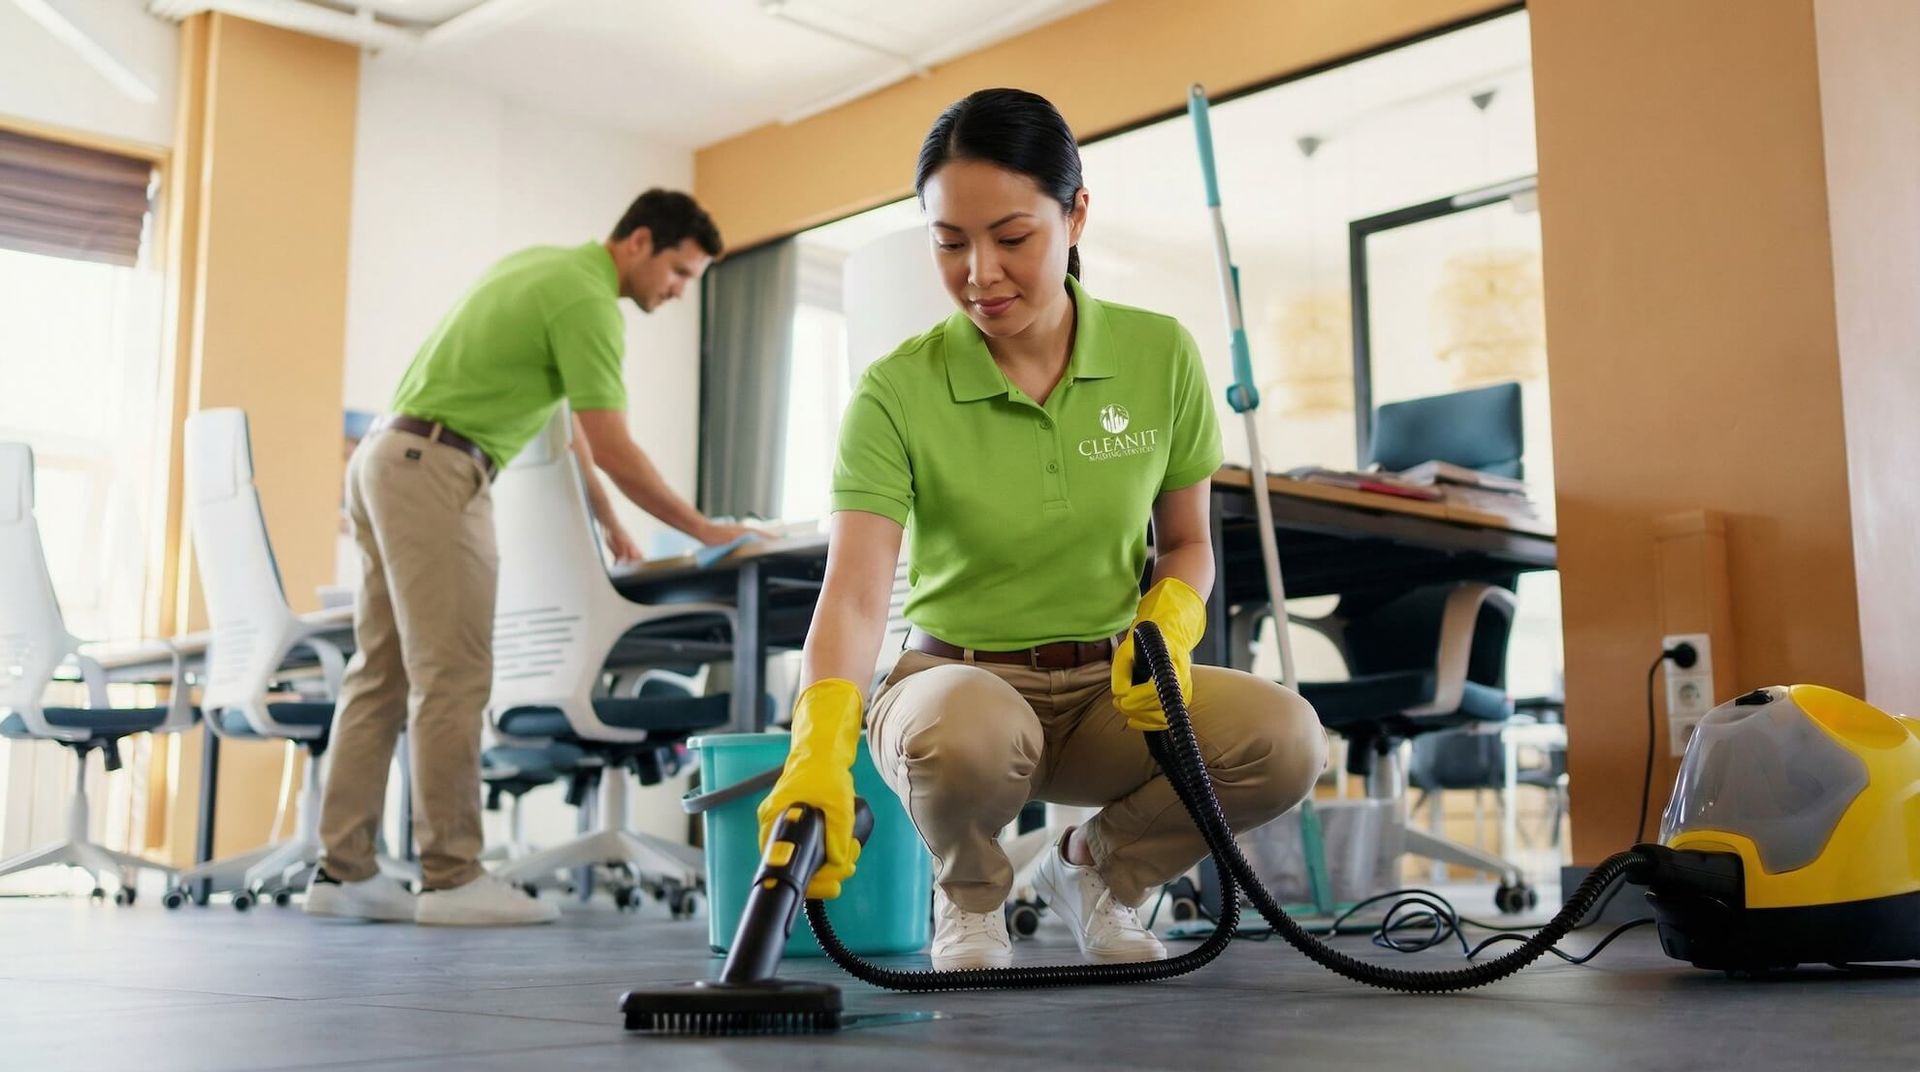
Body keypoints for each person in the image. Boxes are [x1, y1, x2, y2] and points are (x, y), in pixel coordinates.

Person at [757, 89, 1328, 969]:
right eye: (950, 243)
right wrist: (818, 740)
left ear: (1076, 217)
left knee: (1287, 739)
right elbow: (857, 590)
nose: (980, 273)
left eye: (1011, 238)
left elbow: (1186, 541)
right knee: (968, 727)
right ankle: (971, 898)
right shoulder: (894, 390)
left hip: (1111, 689)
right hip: (956, 686)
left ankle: (1098, 871)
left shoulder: (1160, 355)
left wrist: (1169, 619)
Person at [306, 189, 763, 926]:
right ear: (641, 242)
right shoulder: (589, 302)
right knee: (451, 675)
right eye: (680, 273)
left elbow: (572, 431)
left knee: (381, 672)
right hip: (439, 468)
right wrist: (707, 530)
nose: (679, 293)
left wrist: (611, 522)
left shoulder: (545, 270)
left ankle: (342, 872)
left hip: (388, 458)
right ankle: (452, 878)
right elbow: (614, 446)